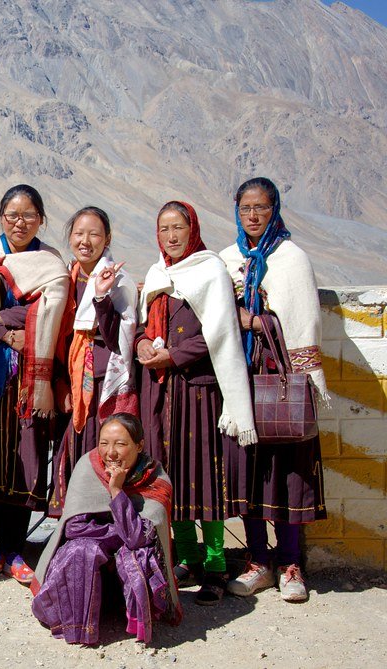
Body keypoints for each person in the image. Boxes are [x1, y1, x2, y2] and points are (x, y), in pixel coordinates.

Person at [137, 201, 257, 605]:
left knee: (203, 477)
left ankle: (216, 566)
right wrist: (141, 343)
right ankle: (186, 557)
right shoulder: (156, 275)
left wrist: (173, 355)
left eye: (178, 228)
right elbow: (141, 323)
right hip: (159, 392)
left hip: (197, 391)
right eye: (164, 228)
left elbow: (218, 333)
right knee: (169, 475)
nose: (171, 236)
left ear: (193, 229)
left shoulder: (210, 271)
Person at [220, 177, 329, 603]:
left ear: (275, 208)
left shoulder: (291, 258)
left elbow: (304, 320)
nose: (253, 215)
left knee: (287, 473)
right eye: (246, 207)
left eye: (261, 207)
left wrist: (258, 321)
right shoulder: (229, 259)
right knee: (250, 471)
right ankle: (257, 562)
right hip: (239, 381)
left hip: (280, 382)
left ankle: (289, 562)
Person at [0, 185, 69, 584]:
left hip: (33, 380)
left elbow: (56, 310)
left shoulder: (50, 262)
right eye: (11, 214)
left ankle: (15, 548)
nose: (19, 222)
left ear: (41, 219)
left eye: (28, 215)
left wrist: (12, 318)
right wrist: (10, 331)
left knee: (25, 456)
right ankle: (2, 546)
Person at [31, 413, 181, 645]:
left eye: (121, 444)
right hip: (89, 572)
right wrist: (118, 533)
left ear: (139, 445)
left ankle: (133, 616)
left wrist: (116, 492)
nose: (110, 452)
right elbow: (74, 528)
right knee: (81, 550)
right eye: (104, 443)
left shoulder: (155, 479)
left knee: (137, 554)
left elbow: (139, 539)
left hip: (124, 577)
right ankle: (78, 624)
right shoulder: (87, 467)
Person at [51, 207, 138, 515]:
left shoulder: (120, 280)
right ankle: (74, 528)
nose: (85, 241)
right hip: (72, 384)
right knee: (72, 457)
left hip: (103, 384)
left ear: (108, 239)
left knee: (102, 454)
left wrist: (101, 298)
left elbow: (119, 339)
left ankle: (107, 526)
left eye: (94, 234)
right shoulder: (64, 279)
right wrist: (61, 383)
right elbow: (58, 337)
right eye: (79, 233)